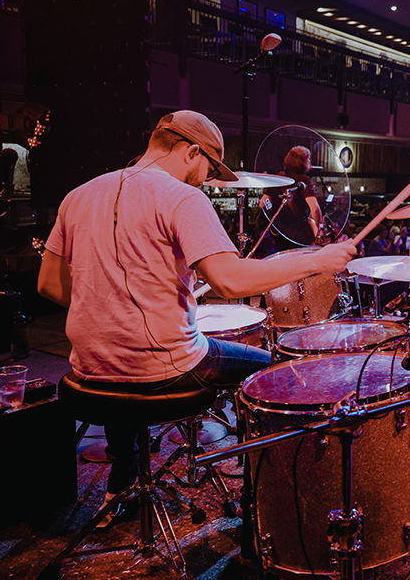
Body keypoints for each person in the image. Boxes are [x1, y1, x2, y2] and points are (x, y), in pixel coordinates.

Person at [36, 110, 356, 518]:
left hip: (87, 372)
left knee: (122, 349)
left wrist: (108, 305)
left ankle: (124, 480)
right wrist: (319, 260)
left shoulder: (78, 195)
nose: (206, 179)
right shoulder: (182, 197)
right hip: (164, 370)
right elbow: (230, 281)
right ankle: (273, 500)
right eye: (208, 168)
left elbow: (48, 285)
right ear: (190, 152)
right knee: (278, 370)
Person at [261, 145, 323, 251]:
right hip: (300, 233)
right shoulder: (304, 180)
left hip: (280, 232)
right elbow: (315, 209)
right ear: (301, 161)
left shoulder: (279, 177)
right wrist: (318, 230)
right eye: (308, 158)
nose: (310, 160)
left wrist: (273, 213)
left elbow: (263, 202)